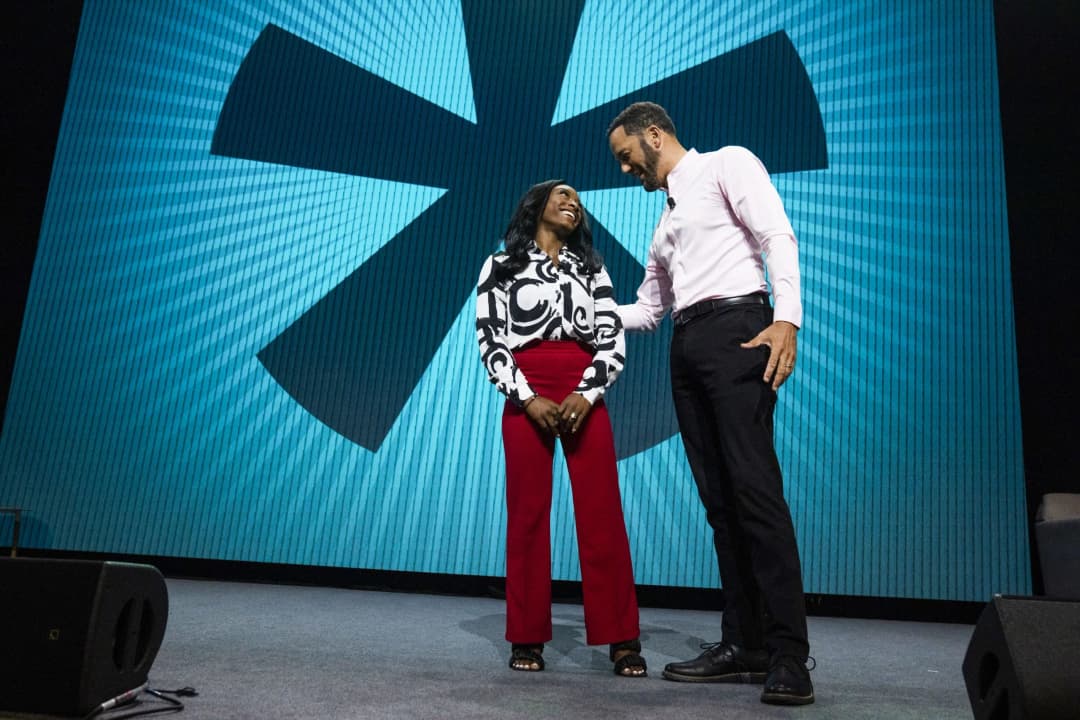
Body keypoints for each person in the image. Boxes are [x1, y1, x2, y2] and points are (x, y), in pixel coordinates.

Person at [606, 102, 814, 705]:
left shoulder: (727, 164)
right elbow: (647, 312)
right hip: (687, 347)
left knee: (755, 493)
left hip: (737, 329)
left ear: (654, 134)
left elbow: (777, 234)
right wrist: (572, 311)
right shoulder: (663, 224)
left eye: (626, 156)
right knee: (720, 505)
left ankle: (789, 655)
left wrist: (787, 318)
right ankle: (743, 642)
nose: (624, 169)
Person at [476, 179, 646, 677]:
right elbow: (491, 339)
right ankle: (526, 635)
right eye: (563, 195)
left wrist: (586, 392)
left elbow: (611, 339)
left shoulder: (593, 268)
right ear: (537, 205)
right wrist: (527, 397)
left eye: (578, 199)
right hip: (526, 390)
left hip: (582, 391)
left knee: (602, 512)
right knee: (527, 515)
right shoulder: (500, 266)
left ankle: (621, 636)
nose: (574, 203)